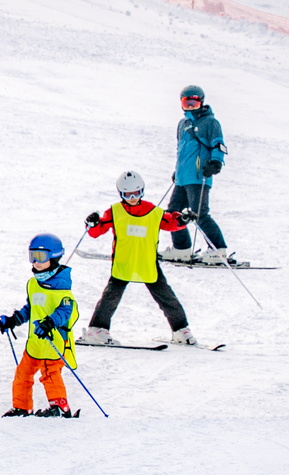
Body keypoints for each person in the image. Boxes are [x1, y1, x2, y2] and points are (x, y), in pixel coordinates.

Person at [79, 171, 198, 346]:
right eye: (128, 194)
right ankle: (96, 330)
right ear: (121, 193)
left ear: (142, 191)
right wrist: (93, 223)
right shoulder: (115, 211)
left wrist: (183, 220)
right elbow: (97, 231)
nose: (133, 197)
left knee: (167, 297)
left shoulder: (153, 211)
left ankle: (181, 330)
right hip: (124, 263)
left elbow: (171, 222)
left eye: (137, 193)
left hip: (147, 262)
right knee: (110, 298)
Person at [0, 234, 78, 417]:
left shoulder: (61, 284)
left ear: (55, 256)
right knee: (22, 374)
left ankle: (59, 406)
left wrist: (50, 323)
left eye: (40, 257)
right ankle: (22, 406)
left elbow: (66, 310)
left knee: (50, 373)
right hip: (35, 341)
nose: (35, 262)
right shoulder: (34, 283)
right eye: (32, 256)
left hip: (54, 340)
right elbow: (31, 308)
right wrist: (13, 320)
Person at [160, 85, 233, 265]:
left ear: (201, 101)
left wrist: (216, 162)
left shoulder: (210, 123)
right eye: (187, 102)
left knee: (199, 214)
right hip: (182, 178)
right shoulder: (182, 124)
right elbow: (182, 151)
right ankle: (182, 248)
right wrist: (178, 171)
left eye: (194, 102)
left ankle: (218, 250)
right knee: (172, 214)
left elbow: (219, 144)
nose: (190, 106)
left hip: (200, 176)